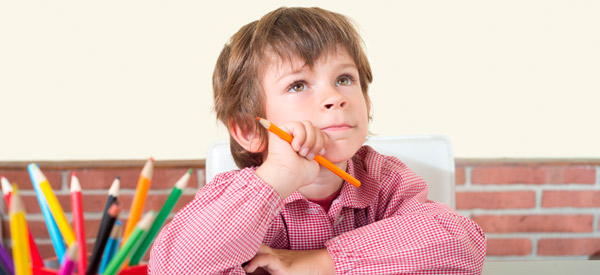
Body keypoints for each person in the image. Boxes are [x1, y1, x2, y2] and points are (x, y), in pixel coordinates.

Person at [149, 6, 486, 274]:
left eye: (343, 78)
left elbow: (462, 243)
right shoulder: (235, 198)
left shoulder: (385, 180)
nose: (334, 97)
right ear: (250, 130)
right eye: (298, 85)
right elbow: (172, 267)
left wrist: (319, 263)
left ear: (367, 105)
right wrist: (278, 175)